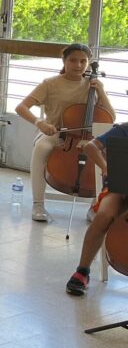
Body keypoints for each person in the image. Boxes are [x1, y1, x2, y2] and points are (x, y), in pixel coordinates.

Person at [14, 43, 112, 223]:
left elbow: (110, 116)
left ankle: (95, 207)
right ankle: (38, 204)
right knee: (41, 148)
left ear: (88, 63)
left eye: (83, 61)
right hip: (54, 132)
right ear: (64, 61)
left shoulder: (93, 85)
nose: (78, 65)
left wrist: (101, 91)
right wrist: (39, 122)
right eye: (73, 60)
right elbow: (21, 107)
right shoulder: (50, 84)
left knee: (107, 155)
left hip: (87, 136)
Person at [65, 121, 128, 296]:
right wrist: (106, 167)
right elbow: (91, 147)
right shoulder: (124, 130)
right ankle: (82, 271)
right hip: (119, 188)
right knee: (104, 215)